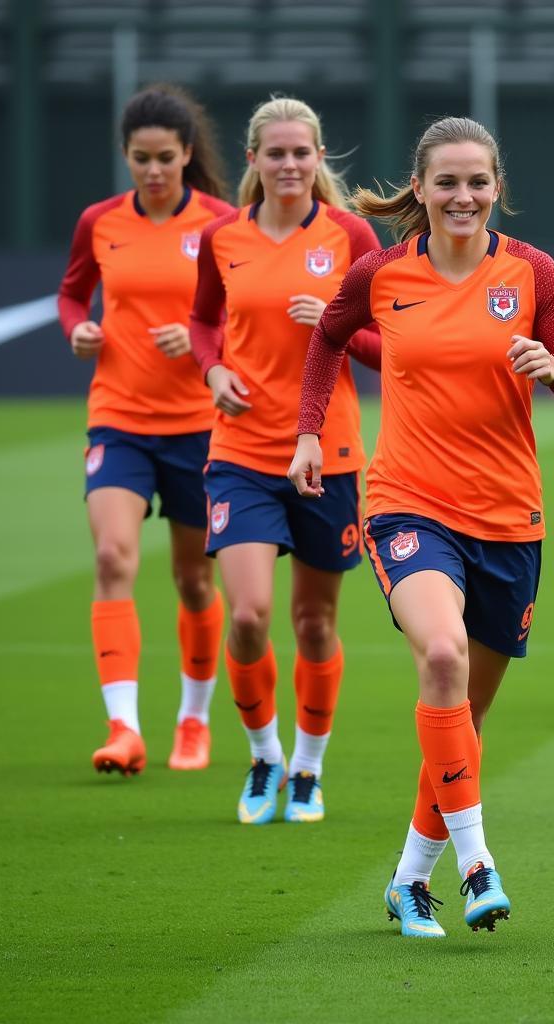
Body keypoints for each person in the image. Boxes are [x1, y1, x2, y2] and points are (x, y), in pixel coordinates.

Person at [287, 116, 554, 938]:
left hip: (510, 518)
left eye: (477, 181)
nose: (462, 196)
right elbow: (326, 338)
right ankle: (478, 866)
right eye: (447, 182)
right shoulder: (383, 273)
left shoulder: (534, 274)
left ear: (497, 187)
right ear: (421, 190)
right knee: (440, 653)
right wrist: (308, 434)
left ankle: (406, 882)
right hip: (407, 502)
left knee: (460, 721)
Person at [189, 96, 381, 826]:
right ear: (254, 160)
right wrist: (210, 371)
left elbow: (388, 345)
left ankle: (308, 766)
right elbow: (204, 322)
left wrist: (332, 324)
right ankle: (264, 753)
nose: (291, 164)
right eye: (277, 153)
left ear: (320, 156)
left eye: (303, 152)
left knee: (312, 624)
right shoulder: (222, 238)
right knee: (247, 615)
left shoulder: (350, 234)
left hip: (326, 457)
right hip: (239, 450)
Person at [58, 85, 234, 777]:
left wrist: (198, 339)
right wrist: (79, 329)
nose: (154, 171)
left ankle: (193, 720)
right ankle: (124, 728)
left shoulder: (222, 224)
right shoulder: (99, 222)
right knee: (112, 559)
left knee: (194, 580)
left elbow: (241, 316)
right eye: (141, 159)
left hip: (198, 426)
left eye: (165, 157)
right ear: (125, 158)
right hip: (119, 419)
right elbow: (72, 292)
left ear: (187, 155)